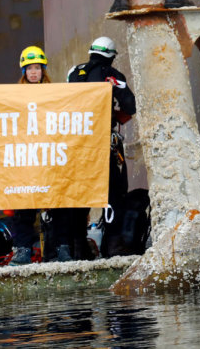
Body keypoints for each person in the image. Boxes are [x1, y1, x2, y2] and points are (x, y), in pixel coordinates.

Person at [66, 37, 137, 256]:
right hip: (105, 142)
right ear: (112, 56)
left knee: (80, 192)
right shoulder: (113, 76)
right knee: (114, 191)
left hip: (77, 143)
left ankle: (78, 246)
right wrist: (116, 117)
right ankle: (112, 245)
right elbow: (130, 106)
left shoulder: (73, 72)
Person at [8, 45, 53, 265]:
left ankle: (56, 250)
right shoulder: (15, 95)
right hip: (25, 158)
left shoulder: (56, 93)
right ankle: (23, 250)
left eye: (37, 68)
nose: (33, 72)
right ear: (23, 71)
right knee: (23, 206)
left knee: (56, 205)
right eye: (29, 68)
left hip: (48, 157)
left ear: (43, 70)